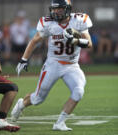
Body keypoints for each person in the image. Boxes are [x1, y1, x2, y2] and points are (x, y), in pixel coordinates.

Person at [11, 0, 92, 131]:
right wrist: (23, 60)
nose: (55, 12)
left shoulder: (79, 20)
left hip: (72, 65)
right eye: (54, 9)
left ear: (67, 9)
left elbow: (89, 44)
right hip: (53, 64)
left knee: (79, 91)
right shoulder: (48, 23)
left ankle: (60, 123)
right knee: (38, 99)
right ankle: (21, 104)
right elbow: (34, 41)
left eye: (59, 9)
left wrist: (75, 40)